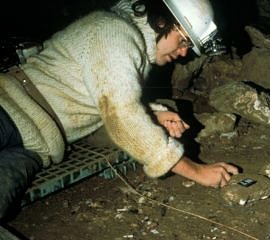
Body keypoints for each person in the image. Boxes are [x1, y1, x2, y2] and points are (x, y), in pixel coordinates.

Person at [0, 0, 239, 222]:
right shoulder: (113, 33)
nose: (184, 52)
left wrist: (153, 114)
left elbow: (107, 94)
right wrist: (196, 171)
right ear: (163, 21)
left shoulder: (131, 43)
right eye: (184, 40)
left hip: (36, 146)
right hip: (9, 109)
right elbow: (122, 116)